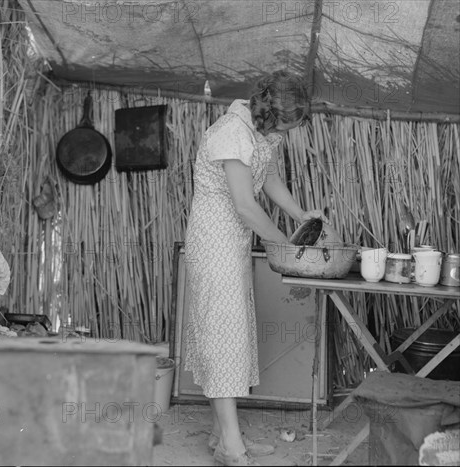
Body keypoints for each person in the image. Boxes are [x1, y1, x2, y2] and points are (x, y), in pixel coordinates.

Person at [184, 70, 327, 466]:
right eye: (290, 123)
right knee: (221, 337)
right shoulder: (233, 131)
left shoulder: (258, 132)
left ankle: (220, 438)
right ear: (272, 111)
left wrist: (300, 214)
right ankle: (233, 448)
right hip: (214, 244)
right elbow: (246, 205)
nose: (291, 131)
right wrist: (281, 243)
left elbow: (269, 178)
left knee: (229, 333)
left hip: (233, 243)